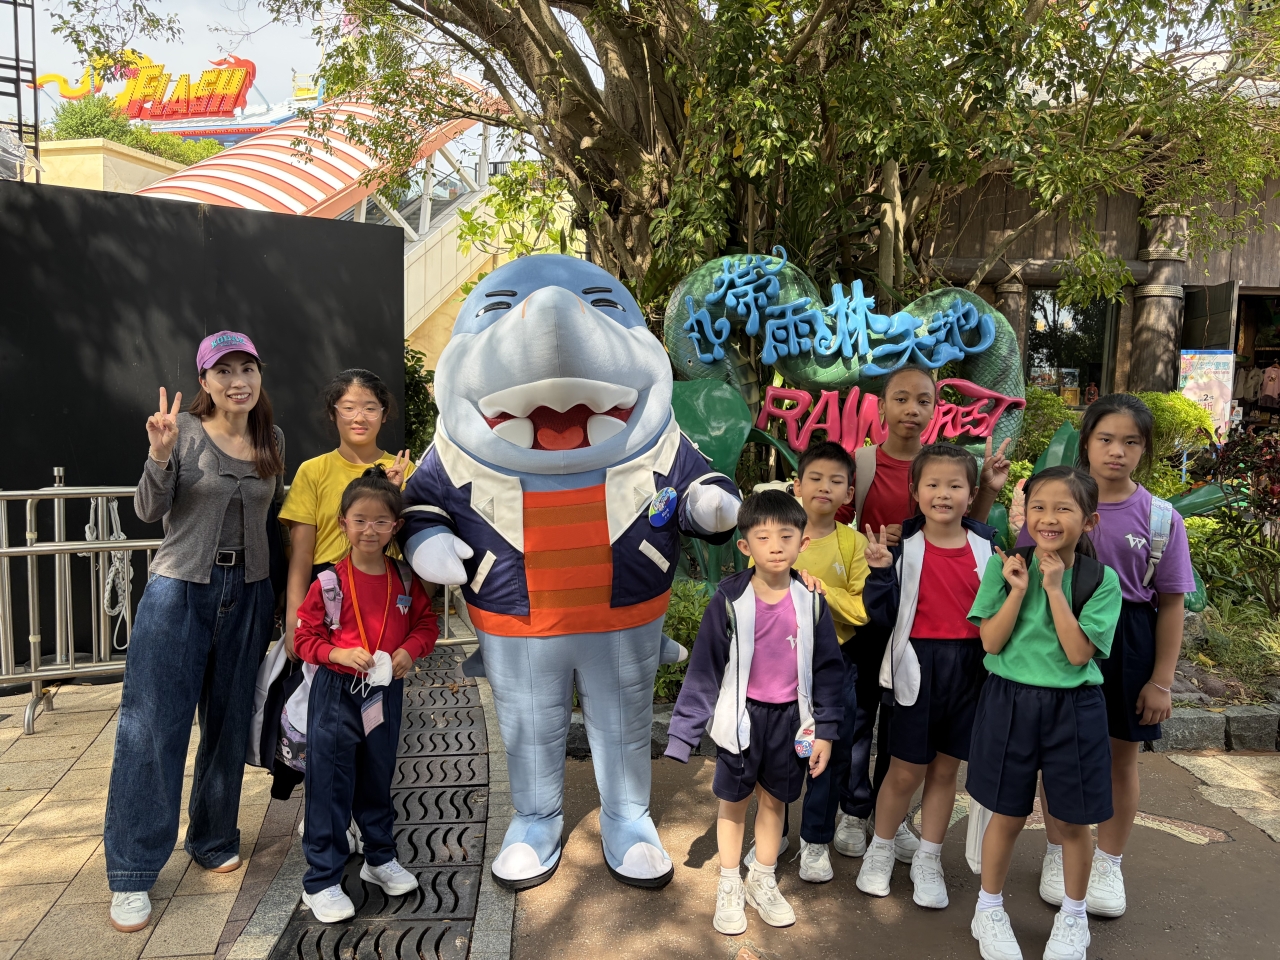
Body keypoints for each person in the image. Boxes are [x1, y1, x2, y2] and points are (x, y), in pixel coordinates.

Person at [106, 332, 285, 933]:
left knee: (229, 724)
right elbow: (148, 511)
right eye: (223, 370)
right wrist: (158, 457)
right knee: (153, 729)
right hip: (180, 590)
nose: (238, 380)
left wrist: (277, 601)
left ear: (259, 375)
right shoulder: (179, 431)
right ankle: (132, 871)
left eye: (247, 368)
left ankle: (212, 837)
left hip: (249, 593)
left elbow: (272, 520)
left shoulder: (272, 438)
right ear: (204, 380)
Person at [1023, 395, 1195, 918]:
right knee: (1058, 754)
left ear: (1144, 449)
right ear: (1087, 440)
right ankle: (1058, 851)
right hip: (1059, 634)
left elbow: (1171, 605)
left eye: (1131, 442)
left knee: (1122, 757)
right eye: (1106, 439)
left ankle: (1108, 862)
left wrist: (1160, 681)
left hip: (1128, 644)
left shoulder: (1161, 518)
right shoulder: (1054, 501)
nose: (1117, 451)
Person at [836, 365, 1011, 865]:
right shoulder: (863, 463)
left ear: (936, 408)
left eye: (924, 400)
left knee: (902, 731)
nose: (912, 409)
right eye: (901, 398)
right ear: (882, 406)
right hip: (872, 606)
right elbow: (837, 527)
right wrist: (876, 544)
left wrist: (987, 490)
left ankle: (889, 819)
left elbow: (964, 533)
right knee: (858, 716)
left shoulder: (947, 465)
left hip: (921, 619)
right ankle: (853, 809)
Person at [665, 490, 845, 935]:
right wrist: (684, 733)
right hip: (742, 720)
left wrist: (826, 729)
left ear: (803, 542)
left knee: (776, 800)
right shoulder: (729, 599)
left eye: (786, 536)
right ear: (745, 545)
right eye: (763, 538)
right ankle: (729, 881)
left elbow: (828, 669)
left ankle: (762, 878)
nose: (776, 546)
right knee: (733, 802)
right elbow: (705, 667)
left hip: (792, 721)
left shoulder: (812, 600)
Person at [966, 466, 1122, 960]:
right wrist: (1018, 589)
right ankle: (989, 908)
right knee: (1007, 813)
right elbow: (991, 642)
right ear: (1025, 513)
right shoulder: (1005, 567)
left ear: (1089, 521)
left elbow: (1078, 654)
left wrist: (1054, 588)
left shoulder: (1101, 580)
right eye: (1038, 507)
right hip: (1009, 700)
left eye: (1063, 509)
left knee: (1073, 821)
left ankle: (1074, 917)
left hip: (1073, 709)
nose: (1048, 518)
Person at [292, 465, 439, 922]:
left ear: (396, 526)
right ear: (343, 523)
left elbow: (426, 624)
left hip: (384, 691)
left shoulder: (405, 579)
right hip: (336, 693)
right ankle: (321, 881)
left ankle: (379, 858)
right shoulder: (329, 583)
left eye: (380, 521)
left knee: (378, 776)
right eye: (360, 520)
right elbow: (303, 637)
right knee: (329, 783)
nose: (369, 530)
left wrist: (409, 651)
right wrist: (336, 653)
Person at [857, 443, 998, 909]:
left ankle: (929, 858)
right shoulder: (902, 549)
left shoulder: (988, 548)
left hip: (970, 669)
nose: (943, 494)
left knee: (945, 770)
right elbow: (882, 617)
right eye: (932, 484)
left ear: (971, 494)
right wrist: (880, 574)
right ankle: (881, 848)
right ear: (914, 491)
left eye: (955, 485)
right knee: (904, 770)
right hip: (916, 667)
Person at [745, 441, 869, 883]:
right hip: (778, 664)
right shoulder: (775, 536)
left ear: (848, 493)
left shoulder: (853, 542)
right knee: (774, 752)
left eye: (836, 481)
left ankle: (816, 841)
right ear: (797, 485)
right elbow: (754, 591)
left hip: (835, 667)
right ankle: (772, 833)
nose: (824, 487)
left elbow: (860, 612)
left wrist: (820, 590)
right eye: (815, 478)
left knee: (828, 753)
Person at [280, 368, 412, 660]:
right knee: (326, 680)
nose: (359, 418)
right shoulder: (313, 471)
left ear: (384, 413)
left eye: (370, 408)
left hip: (385, 592)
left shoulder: (406, 471)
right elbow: (302, 553)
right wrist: (293, 621)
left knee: (382, 676)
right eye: (348, 408)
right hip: (327, 594)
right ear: (333, 413)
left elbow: (414, 545)